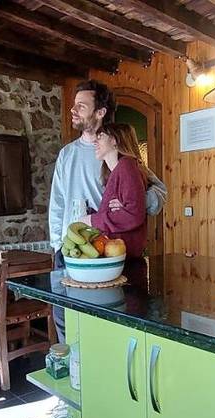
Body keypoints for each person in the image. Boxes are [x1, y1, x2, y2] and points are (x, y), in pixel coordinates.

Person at [48, 80, 167, 341]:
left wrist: (132, 204)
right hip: (72, 253)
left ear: (100, 112)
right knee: (67, 324)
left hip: (111, 255)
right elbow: (57, 203)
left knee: (110, 330)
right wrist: (57, 244)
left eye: (81, 106)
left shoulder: (119, 152)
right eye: (74, 105)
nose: (73, 110)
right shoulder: (67, 154)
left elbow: (159, 193)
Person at [76, 123, 148, 257]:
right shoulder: (115, 172)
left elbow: (134, 215)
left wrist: (92, 220)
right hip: (117, 254)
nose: (95, 141)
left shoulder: (127, 166)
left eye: (101, 136)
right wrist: (91, 213)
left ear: (114, 140)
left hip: (125, 256)